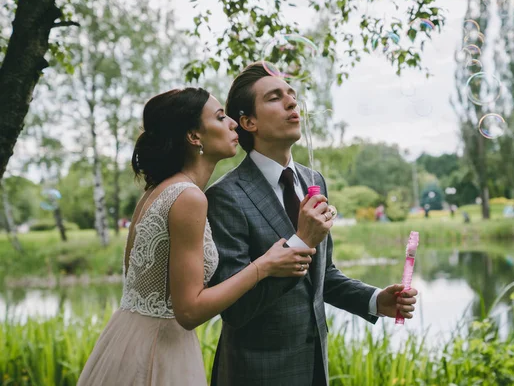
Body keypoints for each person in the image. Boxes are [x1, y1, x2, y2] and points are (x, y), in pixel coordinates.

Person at [77, 88, 316, 386]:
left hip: (127, 339)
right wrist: (264, 266)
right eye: (219, 117)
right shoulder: (189, 197)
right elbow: (189, 311)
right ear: (194, 137)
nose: (232, 123)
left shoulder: (156, 191)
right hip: (159, 350)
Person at [206, 62, 419, 386]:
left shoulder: (312, 180)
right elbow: (235, 309)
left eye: (291, 94)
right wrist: (302, 240)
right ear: (248, 121)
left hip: (313, 366)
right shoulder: (225, 196)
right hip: (254, 372)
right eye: (275, 98)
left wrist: (376, 300)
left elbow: (323, 276)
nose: (293, 103)